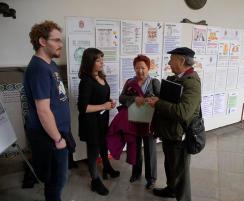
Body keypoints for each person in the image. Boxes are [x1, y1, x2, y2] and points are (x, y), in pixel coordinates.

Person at [23, 20, 75, 201]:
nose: (60, 44)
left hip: (59, 133)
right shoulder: (38, 69)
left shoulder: (50, 64)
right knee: (55, 181)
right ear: (42, 42)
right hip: (50, 137)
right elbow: (43, 111)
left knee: (59, 179)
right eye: (56, 40)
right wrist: (58, 139)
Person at [147, 47, 201, 201]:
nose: (169, 63)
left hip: (180, 135)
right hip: (169, 131)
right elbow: (169, 100)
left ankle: (183, 197)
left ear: (182, 61)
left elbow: (183, 112)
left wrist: (158, 103)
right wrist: (155, 97)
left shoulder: (192, 83)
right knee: (170, 165)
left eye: (172, 59)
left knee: (180, 172)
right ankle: (171, 189)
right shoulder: (177, 78)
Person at [77, 48, 119, 196]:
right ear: (90, 62)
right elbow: (82, 107)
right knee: (93, 152)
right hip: (91, 123)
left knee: (104, 144)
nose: (102, 62)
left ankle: (107, 167)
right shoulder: (86, 81)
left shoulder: (101, 76)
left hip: (102, 119)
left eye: (102, 59)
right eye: (98, 60)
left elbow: (101, 97)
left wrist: (109, 102)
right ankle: (95, 180)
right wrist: (103, 106)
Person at [119, 54, 160, 189]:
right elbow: (121, 98)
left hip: (149, 123)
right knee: (135, 148)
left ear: (148, 68)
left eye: (143, 68)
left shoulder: (154, 82)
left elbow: (161, 101)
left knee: (150, 150)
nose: (140, 71)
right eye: (137, 68)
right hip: (134, 121)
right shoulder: (130, 82)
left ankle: (151, 178)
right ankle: (136, 173)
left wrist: (153, 99)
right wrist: (133, 99)